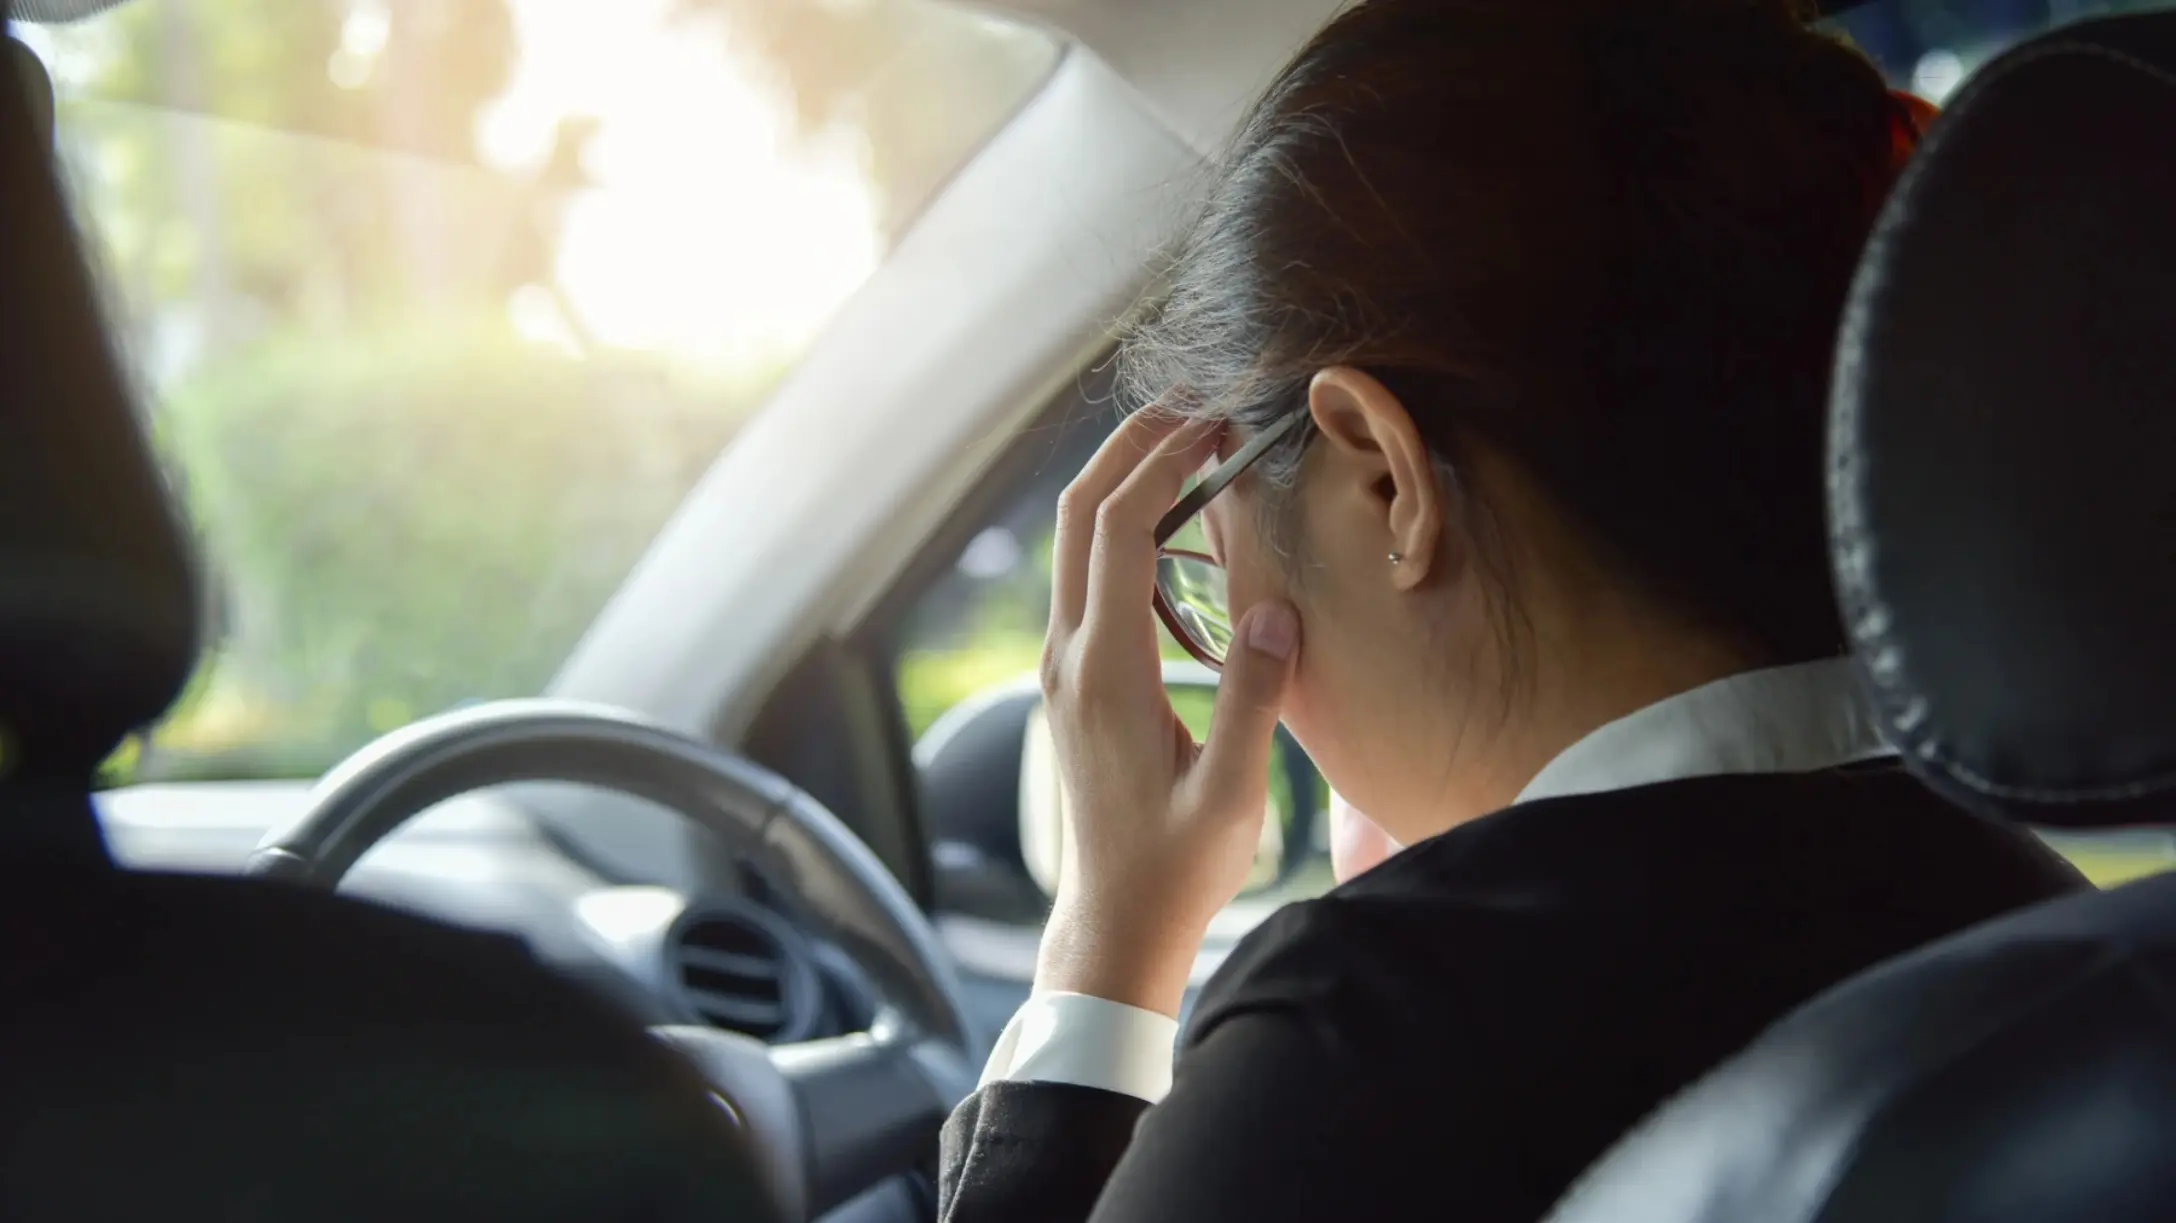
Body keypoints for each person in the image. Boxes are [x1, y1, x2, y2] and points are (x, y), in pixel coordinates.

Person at [935, 2, 2087, 1220]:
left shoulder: (1365, 1039)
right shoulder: (2063, 933)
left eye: (1206, 577)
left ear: (1385, 476)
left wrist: (1103, 958)